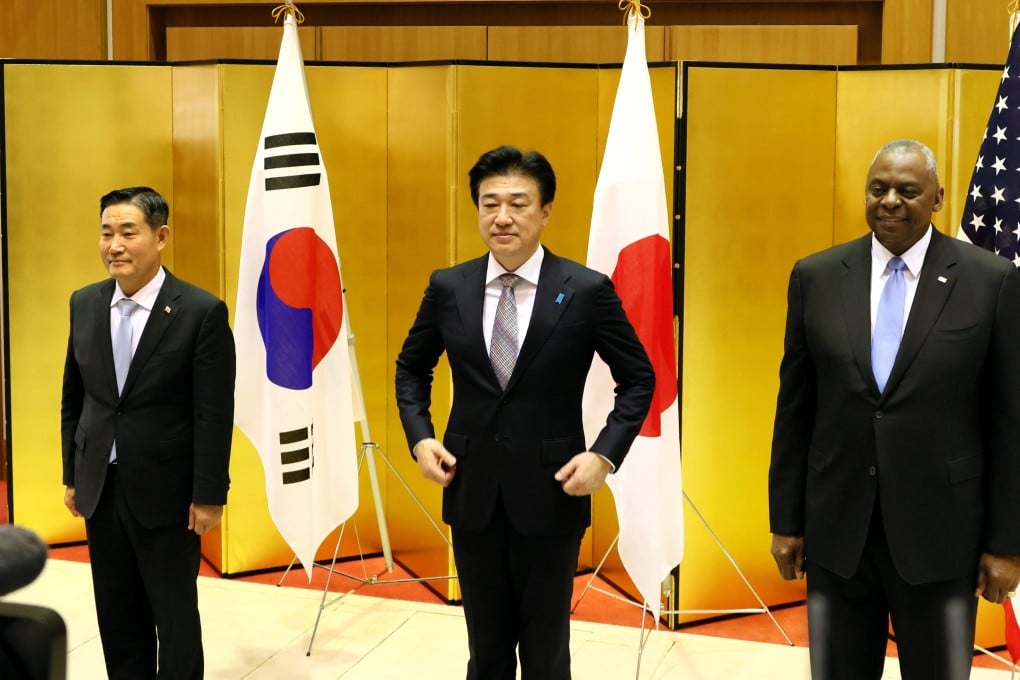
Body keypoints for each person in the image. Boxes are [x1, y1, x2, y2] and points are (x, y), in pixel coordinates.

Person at [395, 145, 655, 679]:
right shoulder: (449, 287)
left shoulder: (585, 290)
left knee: (545, 653)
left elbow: (638, 379)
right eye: (490, 203)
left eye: (518, 203)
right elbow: (410, 369)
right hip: (471, 489)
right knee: (486, 650)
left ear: (545, 211)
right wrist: (421, 438)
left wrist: (603, 456)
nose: (502, 217)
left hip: (553, 492)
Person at [768, 139, 1020, 680]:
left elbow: (1009, 424)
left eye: (908, 191)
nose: (890, 201)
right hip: (838, 535)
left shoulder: (991, 280)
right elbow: (795, 410)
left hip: (943, 538)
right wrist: (786, 522)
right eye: (878, 189)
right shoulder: (816, 276)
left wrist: (1006, 544)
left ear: (938, 198)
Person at [60, 186, 235, 680]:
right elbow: (76, 396)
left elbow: (213, 413)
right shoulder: (84, 303)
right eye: (106, 233)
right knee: (118, 618)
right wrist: (73, 474)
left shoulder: (200, 311)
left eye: (127, 232)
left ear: (161, 237)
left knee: (174, 621)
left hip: (168, 494)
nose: (114, 245)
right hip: (101, 487)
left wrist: (209, 495)